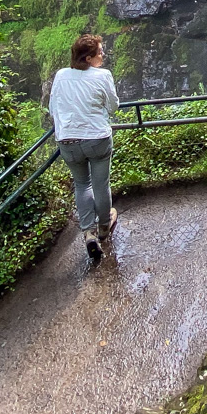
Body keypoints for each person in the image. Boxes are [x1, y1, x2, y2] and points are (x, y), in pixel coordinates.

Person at [48, 33, 121, 264]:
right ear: (89, 58)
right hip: (96, 138)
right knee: (100, 184)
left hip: (67, 141)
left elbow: (53, 108)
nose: (103, 55)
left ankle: (88, 232)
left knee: (81, 185)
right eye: (100, 52)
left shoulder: (60, 75)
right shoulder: (103, 76)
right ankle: (103, 226)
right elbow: (113, 106)